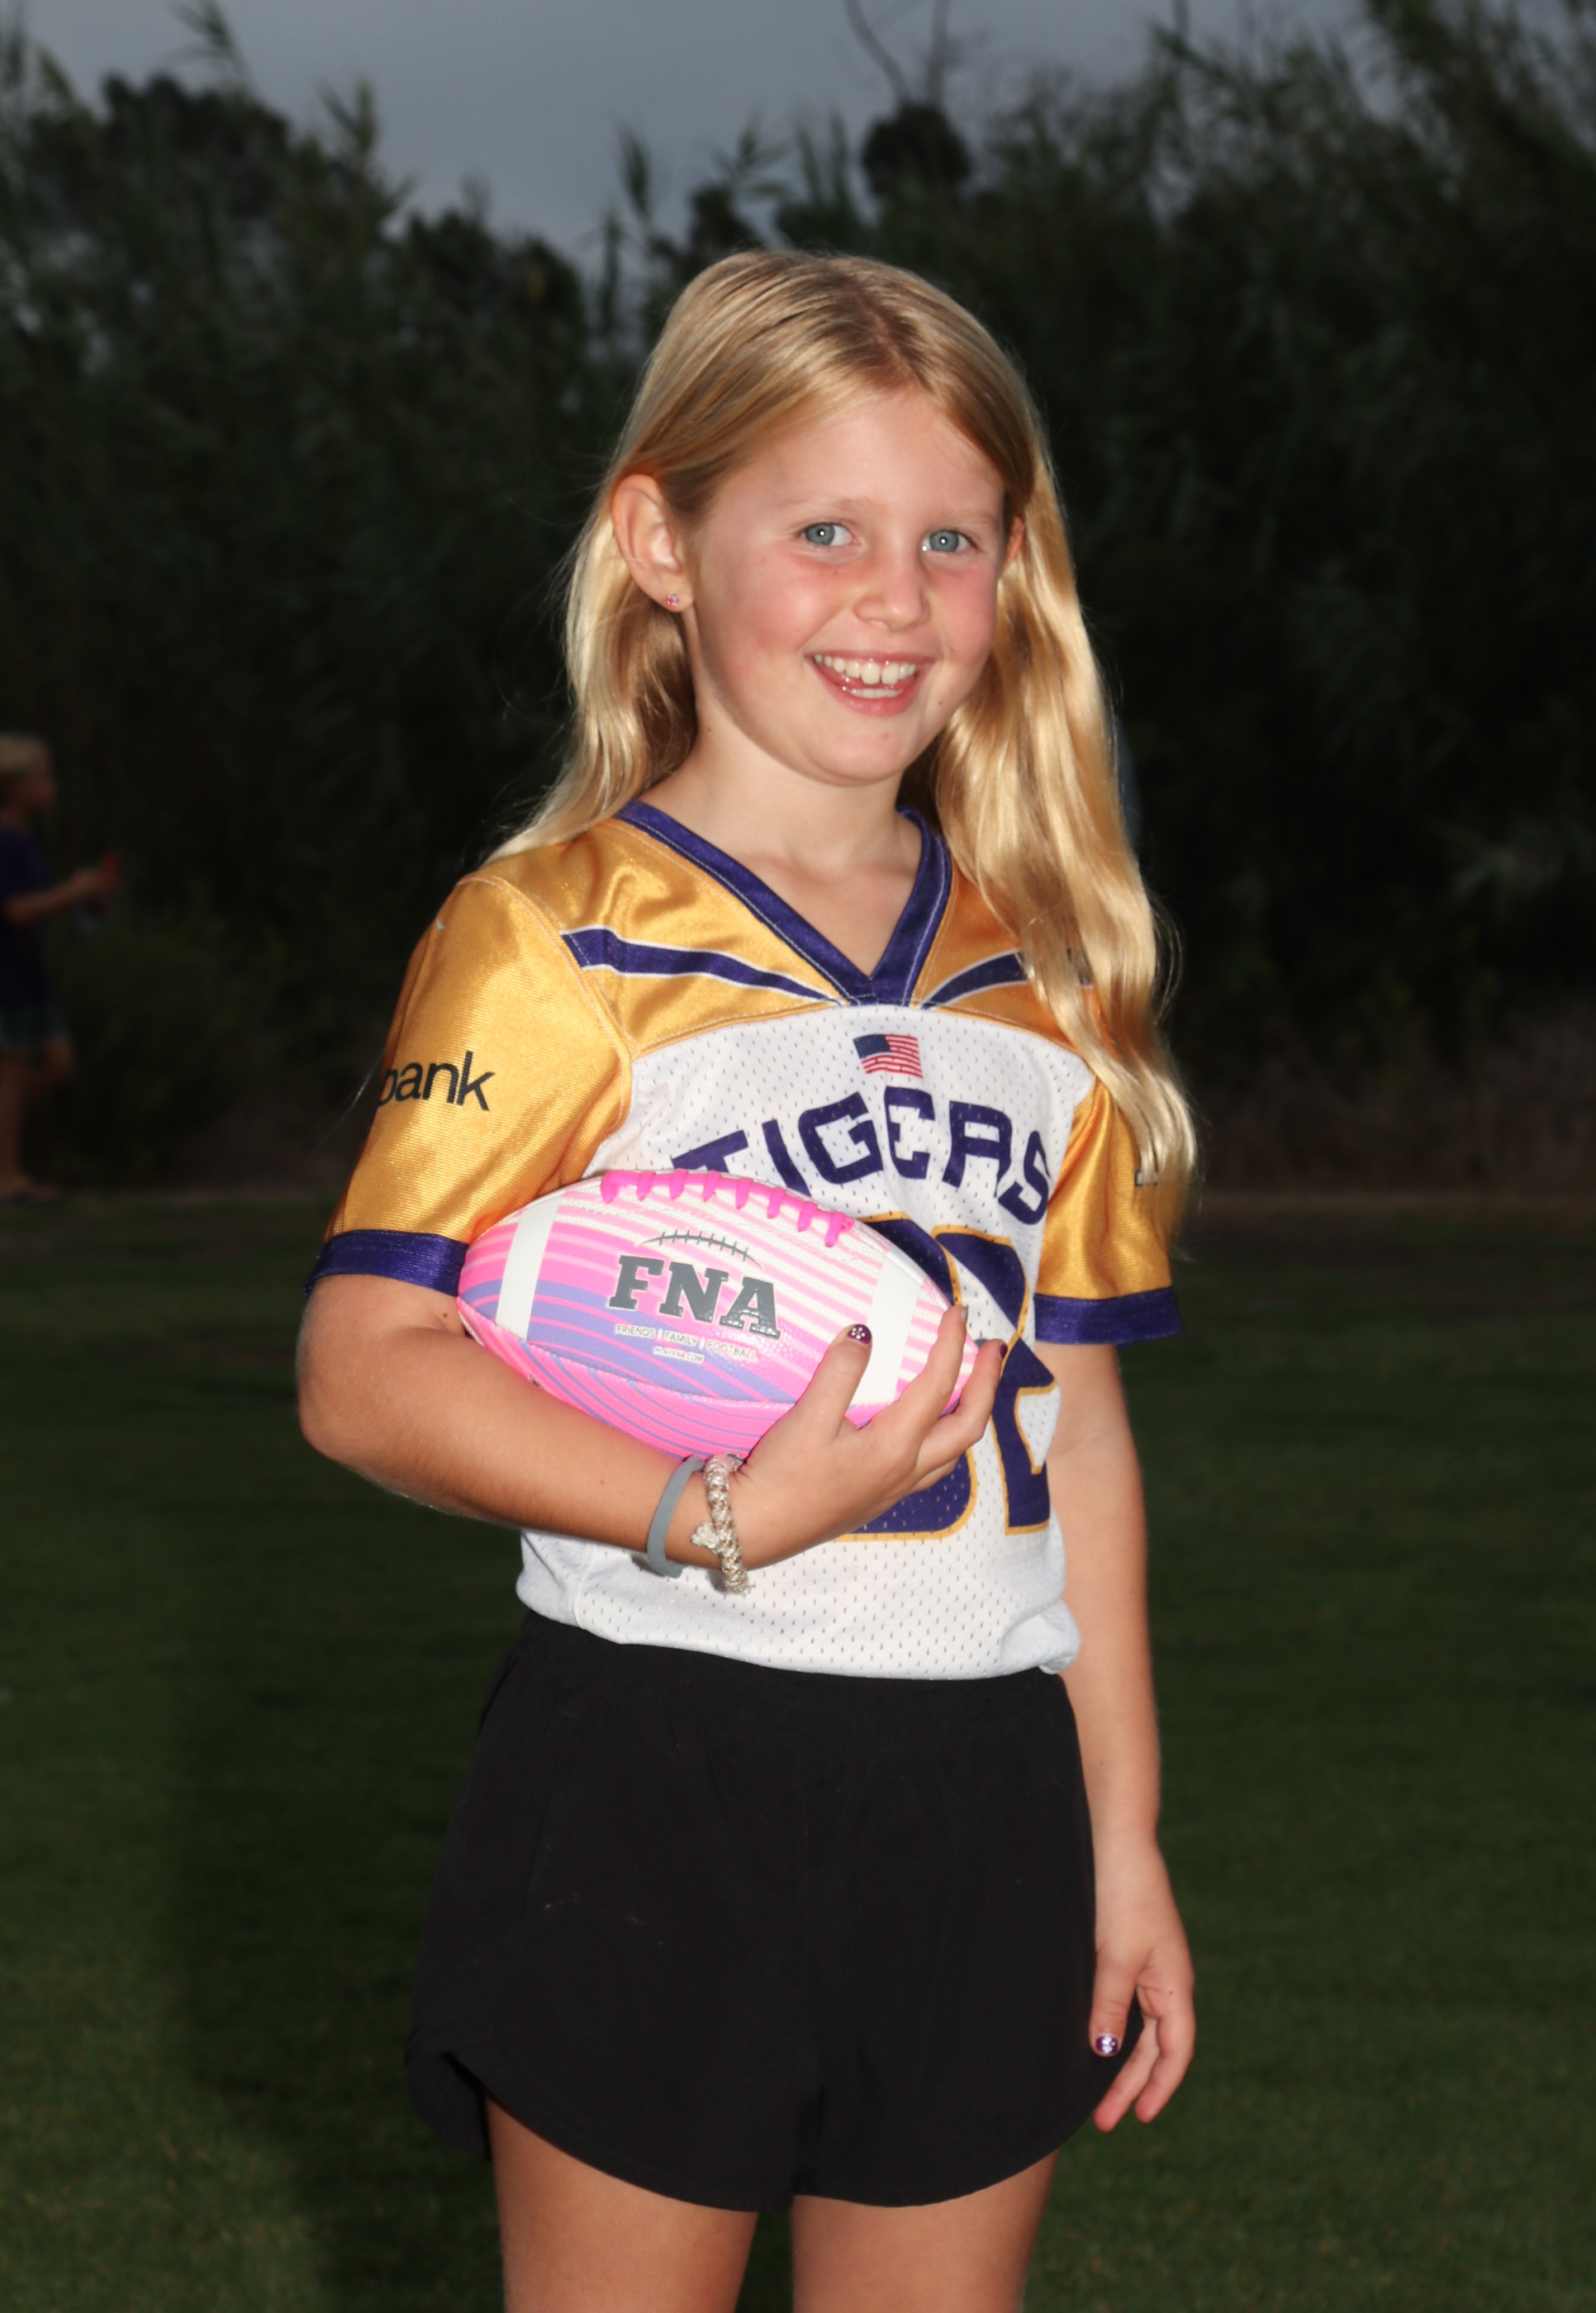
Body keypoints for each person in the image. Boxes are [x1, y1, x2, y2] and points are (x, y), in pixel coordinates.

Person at [298, 252, 1198, 2313]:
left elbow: (1078, 1430)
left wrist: (1121, 1833)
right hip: (656, 1762)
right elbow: (363, 1364)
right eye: (825, 531)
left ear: (1011, 574)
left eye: (950, 538)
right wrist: (708, 1509)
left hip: (982, 1786)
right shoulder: (554, 940)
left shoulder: (1045, 965)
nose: (896, 597)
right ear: (658, 542)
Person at [0, 733, 119, 1205]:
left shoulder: (26, 841)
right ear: (12, 787)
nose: (52, 786)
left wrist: (85, 896)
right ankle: (5, 1178)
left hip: (30, 975)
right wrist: (72, 891)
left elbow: (37, 904)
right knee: (12, 1074)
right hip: (1, 975)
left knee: (59, 1062)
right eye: (42, 777)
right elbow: (15, 911)